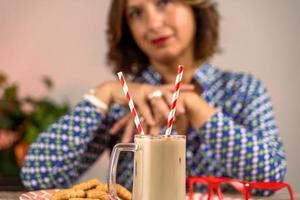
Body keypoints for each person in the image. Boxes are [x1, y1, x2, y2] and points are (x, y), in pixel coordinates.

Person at [21, 0, 287, 196]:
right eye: (136, 13)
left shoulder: (242, 91)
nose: (152, 24)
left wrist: (193, 105)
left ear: (195, 8)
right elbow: (38, 176)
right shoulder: (122, 102)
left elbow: (270, 180)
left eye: (163, 2)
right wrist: (105, 92)